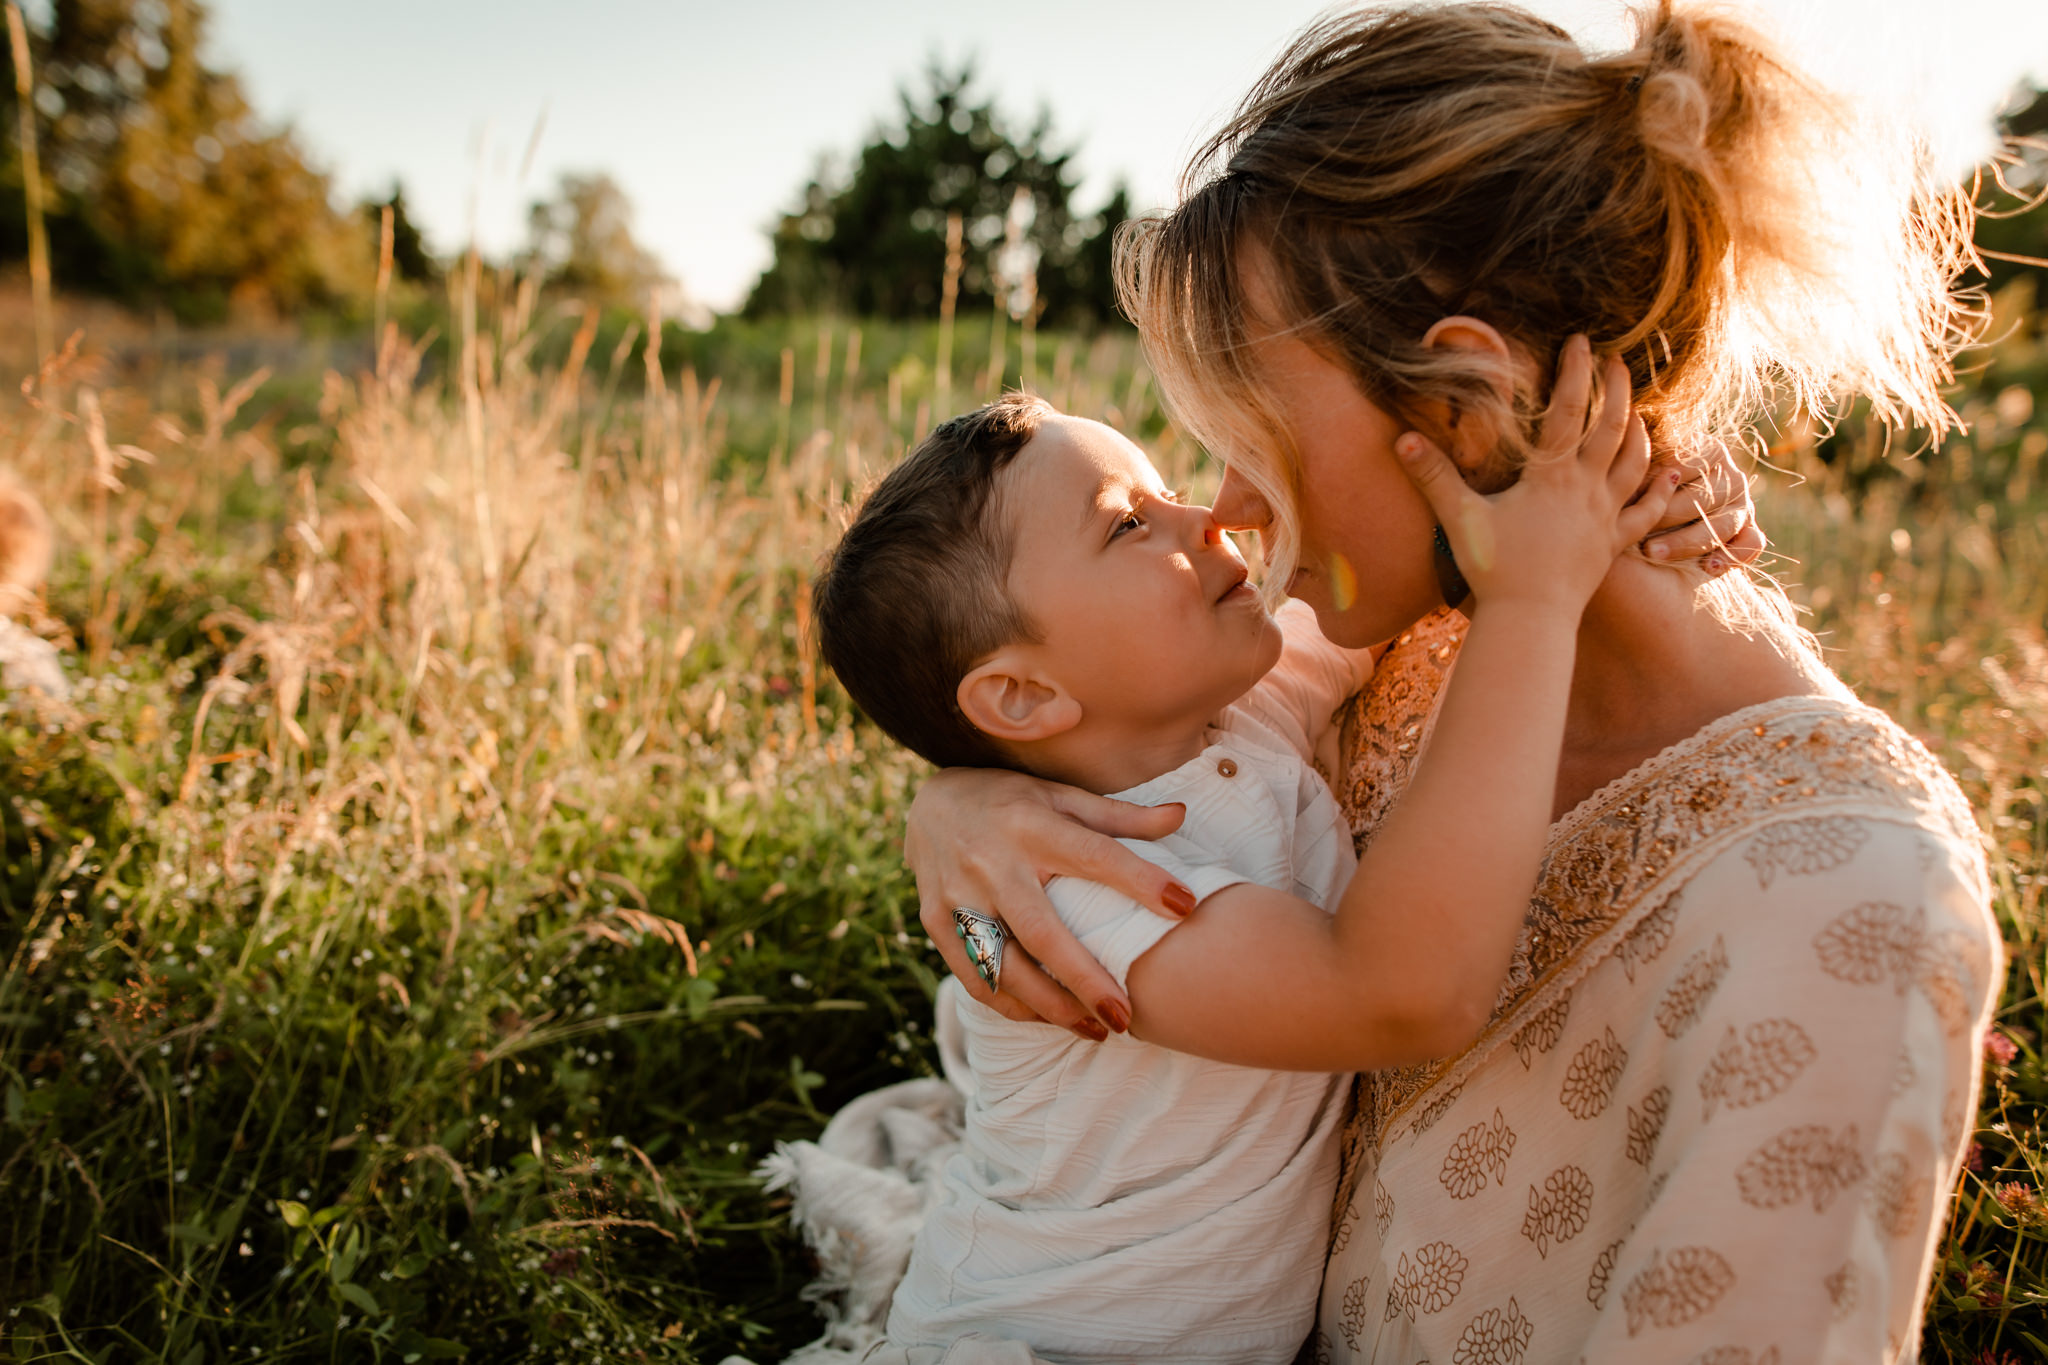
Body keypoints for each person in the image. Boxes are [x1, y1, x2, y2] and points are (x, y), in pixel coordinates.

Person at [904, 2, 2001, 1361]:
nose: (1233, 509)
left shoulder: (1853, 901)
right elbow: (1084, 718)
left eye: (1252, 436)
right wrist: (964, 800)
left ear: (1463, 408)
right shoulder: (1385, 653)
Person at [790, 364, 1676, 1365]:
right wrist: (1531, 601)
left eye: (1164, 487)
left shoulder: (1237, 705)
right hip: (1032, 1340)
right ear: (1026, 699)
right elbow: (1391, 993)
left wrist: (1637, 490)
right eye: (1128, 524)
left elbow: (1381, 596)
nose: (1203, 517)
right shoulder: (1080, 891)